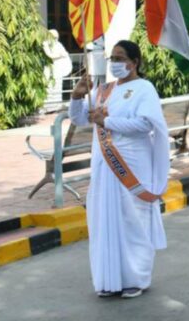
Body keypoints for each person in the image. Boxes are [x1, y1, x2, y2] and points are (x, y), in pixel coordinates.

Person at [69, 40, 170, 298]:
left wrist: (108, 121)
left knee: (132, 219)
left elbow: (146, 124)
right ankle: (108, 280)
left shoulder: (144, 88)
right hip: (104, 167)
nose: (114, 63)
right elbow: (81, 119)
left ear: (134, 62)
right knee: (103, 219)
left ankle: (136, 278)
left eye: (120, 57)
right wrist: (77, 97)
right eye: (112, 58)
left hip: (133, 164)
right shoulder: (103, 90)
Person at [42, 29, 72, 104]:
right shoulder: (46, 44)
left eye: (55, 37)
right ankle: (49, 104)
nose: (55, 39)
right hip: (51, 69)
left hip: (59, 68)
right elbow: (50, 55)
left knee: (58, 86)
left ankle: (57, 104)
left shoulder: (58, 44)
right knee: (50, 87)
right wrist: (60, 55)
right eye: (53, 37)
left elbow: (64, 53)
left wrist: (62, 54)